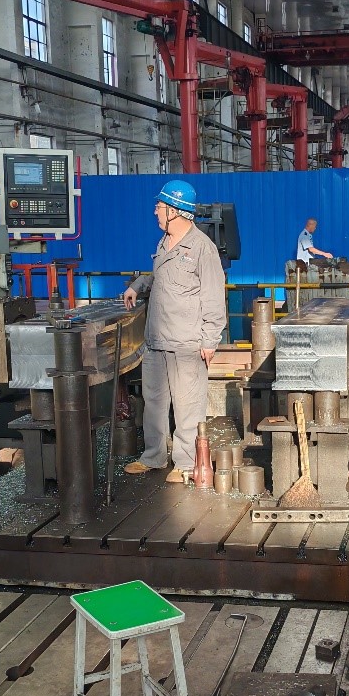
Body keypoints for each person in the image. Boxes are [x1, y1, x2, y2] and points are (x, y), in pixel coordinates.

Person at [122, 180, 226, 483]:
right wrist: (137, 285)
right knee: (153, 404)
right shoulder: (164, 242)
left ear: (175, 211)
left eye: (160, 206)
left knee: (188, 407)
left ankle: (185, 463)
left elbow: (213, 296)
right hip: (156, 341)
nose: (155, 211)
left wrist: (210, 340)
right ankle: (153, 456)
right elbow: (160, 276)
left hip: (186, 343)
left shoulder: (202, 249)